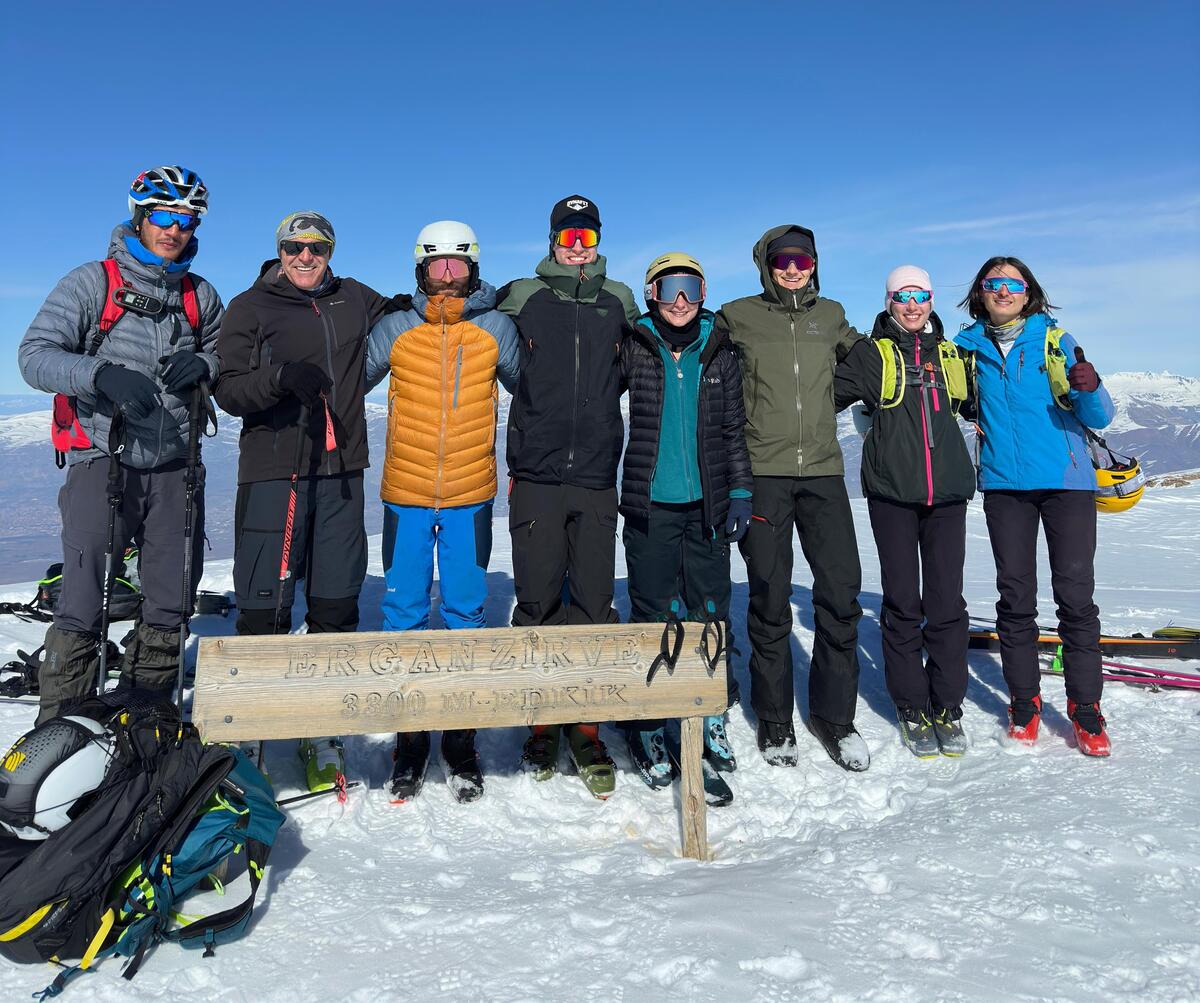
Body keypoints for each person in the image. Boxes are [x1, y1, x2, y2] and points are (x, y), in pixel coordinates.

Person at [18, 166, 223, 724]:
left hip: (177, 467)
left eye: (186, 220)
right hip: (101, 462)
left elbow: (228, 355)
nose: (174, 230)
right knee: (82, 601)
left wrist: (205, 362)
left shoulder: (200, 294)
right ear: (140, 217)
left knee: (170, 599)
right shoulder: (93, 281)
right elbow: (34, 355)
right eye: (163, 217)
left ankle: (145, 721)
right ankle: (63, 732)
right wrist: (100, 374)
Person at [215, 211, 402, 791]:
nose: (305, 257)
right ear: (279, 250)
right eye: (294, 247)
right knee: (264, 606)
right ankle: (250, 730)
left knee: (335, 601)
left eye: (316, 248)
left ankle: (321, 727)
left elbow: (404, 310)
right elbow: (226, 388)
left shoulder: (353, 297)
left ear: (330, 251)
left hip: (342, 468)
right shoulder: (251, 306)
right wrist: (278, 379)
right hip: (277, 470)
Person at [365, 221, 519, 803]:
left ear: (474, 269)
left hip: (471, 497)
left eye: (458, 264)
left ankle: (460, 739)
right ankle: (410, 741)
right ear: (420, 270)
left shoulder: (495, 327)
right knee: (403, 610)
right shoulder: (398, 327)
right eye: (438, 265)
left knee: (465, 612)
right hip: (404, 494)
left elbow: (533, 390)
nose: (448, 274)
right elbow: (350, 380)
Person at [497, 194, 639, 799]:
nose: (576, 247)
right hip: (537, 472)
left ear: (599, 241)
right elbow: (475, 321)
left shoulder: (620, 300)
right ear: (552, 239)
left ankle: (586, 725)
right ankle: (541, 721)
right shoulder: (523, 296)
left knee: (594, 601)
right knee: (536, 600)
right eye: (567, 236)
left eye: (586, 238)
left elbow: (645, 362)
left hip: (598, 474)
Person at [715, 224, 869, 772]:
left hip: (825, 473)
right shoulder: (738, 316)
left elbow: (865, 362)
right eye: (783, 259)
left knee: (840, 594)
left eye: (803, 260)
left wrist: (835, 397)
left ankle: (835, 716)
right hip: (763, 476)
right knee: (770, 597)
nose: (793, 268)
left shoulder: (831, 314)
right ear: (765, 263)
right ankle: (776, 718)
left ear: (815, 264)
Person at [955, 257, 1115, 757]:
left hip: (1066, 484)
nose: (1003, 291)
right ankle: (1024, 702)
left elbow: (1101, 417)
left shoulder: (1055, 340)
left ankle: (1085, 709)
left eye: (1012, 284)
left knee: (1075, 596)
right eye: (993, 284)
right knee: (1015, 598)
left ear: (1029, 292)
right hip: (1004, 485)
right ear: (980, 292)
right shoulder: (965, 348)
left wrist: (1090, 387)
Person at [619, 253, 751, 803]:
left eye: (691, 287)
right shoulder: (632, 345)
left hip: (707, 508)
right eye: (669, 286)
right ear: (651, 293)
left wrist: (740, 491)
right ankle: (650, 724)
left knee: (710, 611)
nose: (680, 299)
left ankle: (709, 713)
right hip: (651, 504)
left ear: (702, 292)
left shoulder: (720, 352)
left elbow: (733, 431)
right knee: (651, 610)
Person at [834, 266, 975, 757]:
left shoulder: (952, 354)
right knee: (901, 601)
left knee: (946, 602)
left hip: (949, 494)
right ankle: (912, 705)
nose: (912, 306)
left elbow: (987, 403)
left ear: (932, 300)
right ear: (889, 301)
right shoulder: (872, 355)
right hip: (893, 493)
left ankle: (947, 704)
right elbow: (819, 395)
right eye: (902, 297)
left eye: (920, 296)